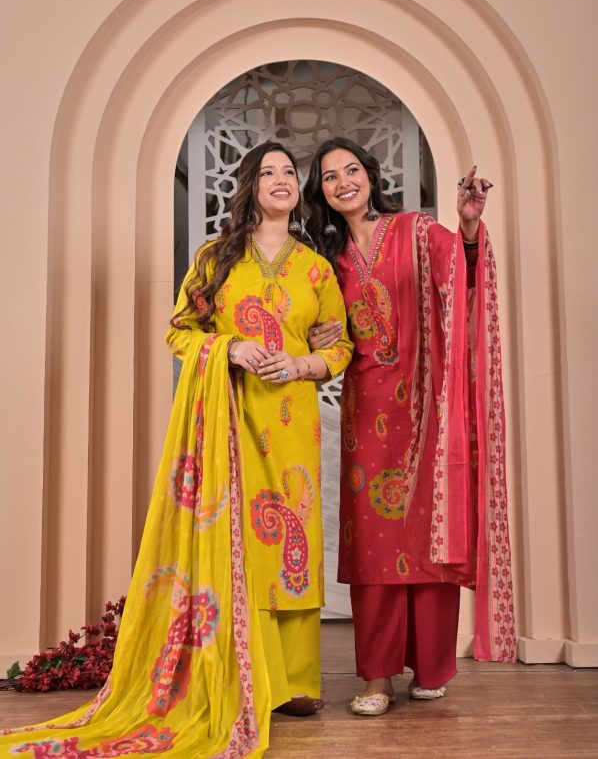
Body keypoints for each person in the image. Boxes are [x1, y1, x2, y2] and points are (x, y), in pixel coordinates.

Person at [0, 141, 352, 757]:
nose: (281, 180)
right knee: (240, 544)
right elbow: (179, 332)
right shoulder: (216, 258)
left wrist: (301, 362)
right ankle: (248, 676)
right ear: (249, 185)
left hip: (293, 423)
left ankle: (296, 682)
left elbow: (340, 347)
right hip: (229, 420)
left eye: (289, 173)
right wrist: (231, 348)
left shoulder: (316, 268)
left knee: (291, 546)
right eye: (268, 172)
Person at [304, 137, 515, 717]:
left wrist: (467, 224)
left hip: (427, 406)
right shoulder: (324, 259)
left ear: (370, 176)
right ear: (321, 192)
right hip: (366, 415)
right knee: (373, 547)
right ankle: (377, 678)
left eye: (351, 170)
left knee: (427, 533)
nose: (343, 182)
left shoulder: (416, 232)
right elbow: (311, 325)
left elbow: (463, 273)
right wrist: (315, 335)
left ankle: (430, 666)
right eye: (330, 177)